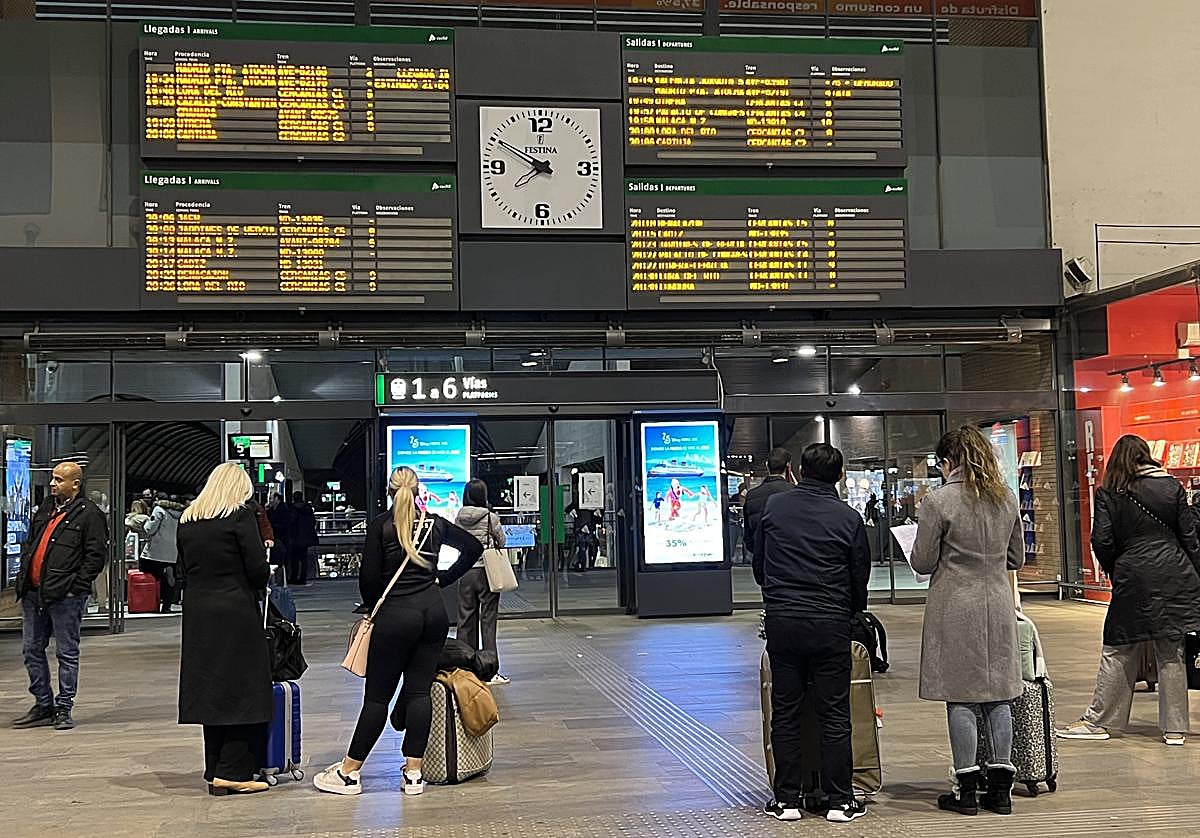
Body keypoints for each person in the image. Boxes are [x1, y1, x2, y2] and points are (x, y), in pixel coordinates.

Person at [314, 466, 482, 798]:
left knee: (378, 697)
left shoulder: (381, 526)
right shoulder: (434, 523)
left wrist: (377, 606)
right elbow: (473, 549)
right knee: (419, 693)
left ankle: (349, 772)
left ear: (390, 492)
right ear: (419, 491)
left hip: (395, 617)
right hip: (434, 613)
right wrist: (441, 580)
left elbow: (368, 581)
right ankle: (414, 774)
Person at [910, 426, 1024, 817]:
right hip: (997, 602)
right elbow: (1017, 559)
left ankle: (966, 789)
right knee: (998, 694)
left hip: (956, 604)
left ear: (948, 462)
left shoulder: (939, 501)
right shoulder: (1006, 498)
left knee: (960, 695)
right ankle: (1001, 791)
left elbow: (922, 562)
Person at [1058, 434, 1200, 746]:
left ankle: (1100, 721)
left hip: (1134, 576)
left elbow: (1102, 540)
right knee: (1171, 651)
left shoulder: (1110, 491)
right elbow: (1189, 536)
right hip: (1175, 574)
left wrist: (1115, 567)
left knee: (1118, 647)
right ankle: (1175, 729)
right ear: (1146, 455)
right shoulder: (1171, 486)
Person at [755, 443, 870, 824]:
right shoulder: (848, 518)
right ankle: (840, 800)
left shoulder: (775, 509)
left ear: (799, 471)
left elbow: (760, 566)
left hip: (784, 622)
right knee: (834, 712)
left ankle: (787, 800)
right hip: (830, 624)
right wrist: (850, 611)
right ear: (839, 476)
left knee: (785, 712)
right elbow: (859, 578)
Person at [176, 462, 272, 796]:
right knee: (242, 687)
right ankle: (235, 770)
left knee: (211, 687)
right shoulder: (239, 516)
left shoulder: (188, 520)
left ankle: (214, 767)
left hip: (199, 613)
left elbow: (182, 570)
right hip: (235, 611)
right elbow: (258, 569)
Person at [12, 462, 109, 732]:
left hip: (65, 595)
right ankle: (43, 704)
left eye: (58, 480)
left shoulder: (89, 514)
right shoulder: (46, 508)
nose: (52, 484)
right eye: (52, 479)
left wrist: (75, 586)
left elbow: (95, 556)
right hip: (34, 592)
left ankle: (64, 706)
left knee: (66, 652)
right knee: (31, 649)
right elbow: (32, 542)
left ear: (75, 484)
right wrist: (24, 573)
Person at [455, 479, 510, 686]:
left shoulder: (459, 517)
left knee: (465, 619)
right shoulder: (490, 517)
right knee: (488, 621)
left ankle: (464, 667)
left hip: (465, 572)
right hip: (487, 572)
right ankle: (489, 671)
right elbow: (502, 541)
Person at [746, 448, 795, 583]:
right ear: (788, 466)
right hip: (792, 561)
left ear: (767, 465)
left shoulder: (752, 495)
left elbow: (748, 536)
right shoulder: (795, 493)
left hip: (765, 563)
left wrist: (758, 550)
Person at [142, 495, 185, 613]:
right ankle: (166, 607)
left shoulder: (158, 510)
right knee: (169, 582)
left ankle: (150, 601)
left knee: (145, 569)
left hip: (156, 550)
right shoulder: (181, 513)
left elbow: (150, 529)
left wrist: (146, 523)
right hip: (172, 552)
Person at [287, 492, 318, 586]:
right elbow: (313, 522)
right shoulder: (308, 509)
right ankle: (303, 578)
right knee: (304, 560)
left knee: (294, 559)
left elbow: (290, 522)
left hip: (295, 537)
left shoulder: (292, 509)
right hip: (306, 538)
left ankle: (294, 577)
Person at [266, 492, 292, 569]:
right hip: (276, 537)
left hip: (282, 537)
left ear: (277, 499)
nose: (270, 501)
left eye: (271, 498)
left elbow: (284, 524)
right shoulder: (271, 510)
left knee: (282, 558)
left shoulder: (283, 510)